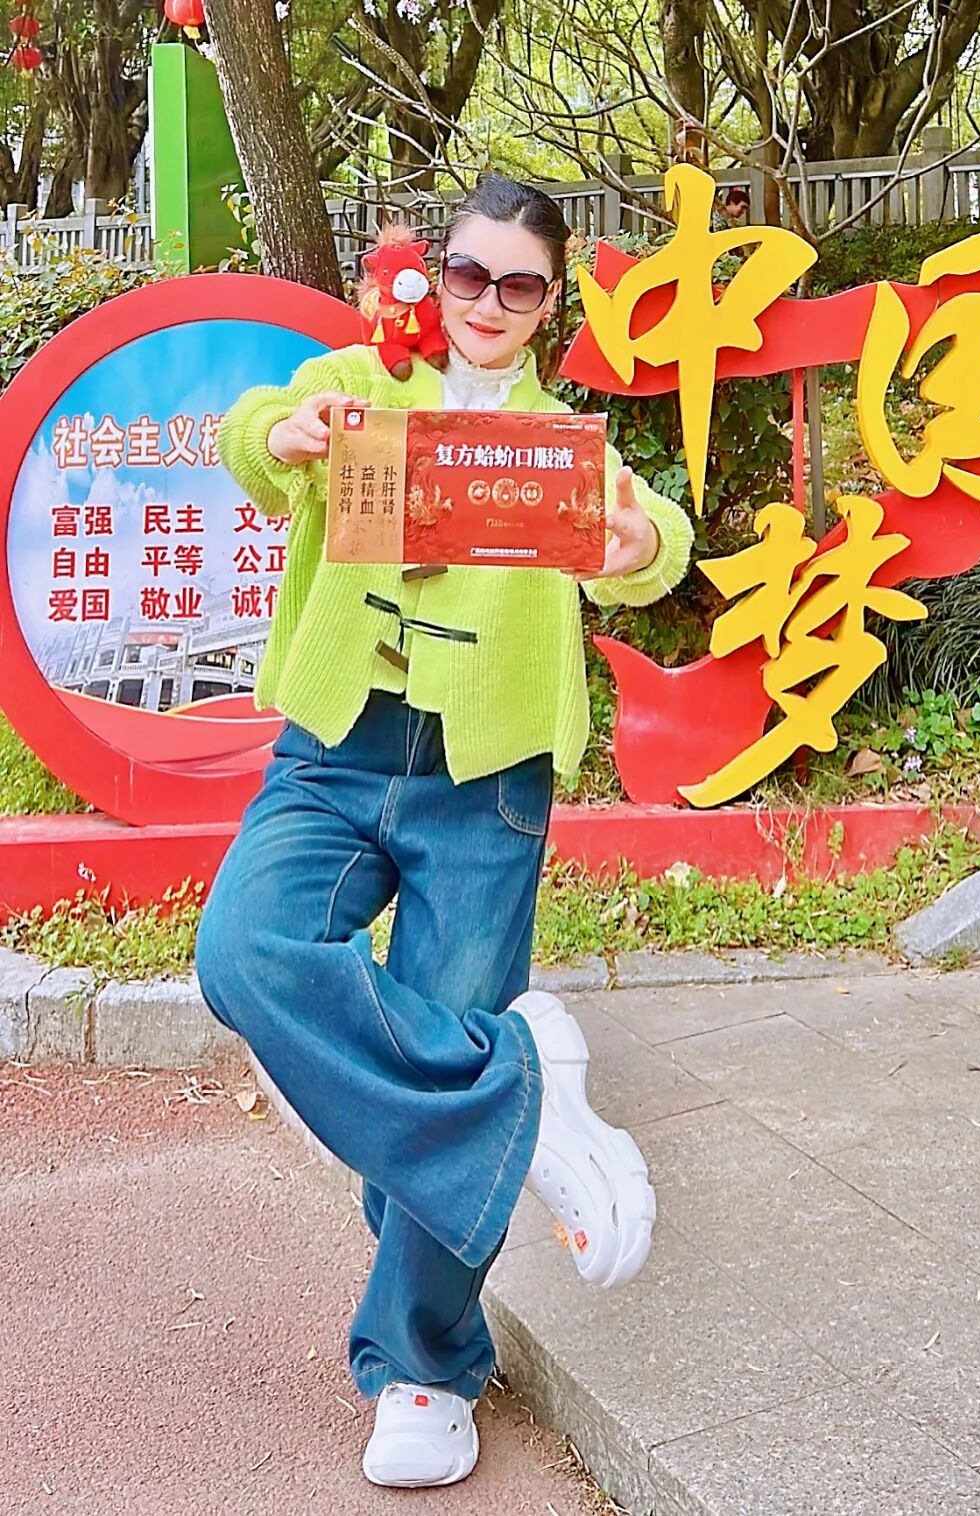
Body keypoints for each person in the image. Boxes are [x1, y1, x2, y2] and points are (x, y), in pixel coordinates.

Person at [195, 172, 693, 1490]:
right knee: (242, 953)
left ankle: (422, 1366)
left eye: (520, 286)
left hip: (488, 775)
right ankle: (517, 1090)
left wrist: (634, 540)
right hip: (336, 749)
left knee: (448, 1011)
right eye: (468, 274)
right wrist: (288, 435)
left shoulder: (555, 443)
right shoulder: (362, 383)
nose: (487, 302)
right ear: (436, 274)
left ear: (548, 303)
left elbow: (655, 539)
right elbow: (251, 434)